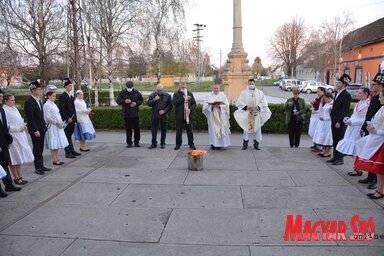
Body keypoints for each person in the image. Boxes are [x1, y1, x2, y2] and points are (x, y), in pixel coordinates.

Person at [353, 88, 384, 199]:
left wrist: (376, 131)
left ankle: (380, 190)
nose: (379, 98)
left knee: (380, 168)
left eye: (381, 96)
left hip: (381, 141)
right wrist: (371, 127)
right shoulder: (382, 108)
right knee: (379, 170)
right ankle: (379, 190)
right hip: (376, 139)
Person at [336, 87, 370, 176]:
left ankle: (358, 169)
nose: (358, 95)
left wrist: (353, 122)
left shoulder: (367, 104)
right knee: (355, 149)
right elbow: (354, 114)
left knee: (358, 148)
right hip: (352, 127)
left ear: (366, 93)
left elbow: (365, 119)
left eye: (360, 93)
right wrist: (349, 120)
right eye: (358, 93)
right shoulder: (359, 102)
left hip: (358, 128)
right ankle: (356, 168)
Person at [358, 73, 384, 189]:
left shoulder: (381, 98)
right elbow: (370, 114)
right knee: (369, 153)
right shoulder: (374, 97)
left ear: (381, 85)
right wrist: (365, 126)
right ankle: (370, 176)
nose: (372, 85)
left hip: (378, 131)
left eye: (375, 84)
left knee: (376, 156)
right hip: (370, 128)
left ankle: (375, 181)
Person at [3, 93, 34, 184]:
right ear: (6, 101)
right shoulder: (4, 110)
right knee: (13, 158)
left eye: (14, 100)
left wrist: (23, 126)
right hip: (13, 136)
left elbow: (19, 119)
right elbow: (6, 126)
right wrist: (18, 128)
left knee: (19, 157)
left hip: (20, 135)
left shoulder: (14, 108)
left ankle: (20, 176)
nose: (13, 102)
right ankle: (16, 178)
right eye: (11, 100)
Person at [234, 78, 272, 150]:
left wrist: (258, 107)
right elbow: (239, 102)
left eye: (252, 83)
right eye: (250, 83)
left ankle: (256, 144)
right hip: (247, 113)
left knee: (257, 129)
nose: (251, 85)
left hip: (256, 114)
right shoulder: (244, 93)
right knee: (246, 129)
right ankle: (245, 144)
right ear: (248, 84)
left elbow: (264, 102)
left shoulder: (260, 93)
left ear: (254, 84)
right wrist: (246, 106)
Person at [24, 80, 52, 175]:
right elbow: (30, 118)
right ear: (33, 90)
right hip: (35, 130)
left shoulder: (38, 100)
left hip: (41, 128)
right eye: (38, 89)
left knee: (40, 148)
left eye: (40, 89)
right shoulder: (29, 102)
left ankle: (41, 165)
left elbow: (41, 115)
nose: (40, 91)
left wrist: (44, 125)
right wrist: (35, 130)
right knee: (37, 148)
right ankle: (37, 167)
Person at [0, 89, 21, 197]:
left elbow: (4, 127)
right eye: (0, 96)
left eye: (1, 96)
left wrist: (7, 140)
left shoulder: (1, 110)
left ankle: (8, 184)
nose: (1, 98)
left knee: (4, 163)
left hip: (3, 141)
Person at [327, 74, 352, 165]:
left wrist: (339, 121)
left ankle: (340, 158)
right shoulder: (337, 92)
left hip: (339, 121)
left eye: (340, 82)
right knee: (334, 138)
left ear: (344, 84)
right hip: (333, 119)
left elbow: (344, 110)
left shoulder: (346, 95)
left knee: (339, 139)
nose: (337, 84)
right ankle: (335, 157)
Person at [43, 91, 69, 165]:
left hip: (58, 125)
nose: (54, 97)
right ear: (48, 96)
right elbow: (48, 117)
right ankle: (54, 159)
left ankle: (57, 158)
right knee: (53, 142)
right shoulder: (46, 105)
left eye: (55, 96)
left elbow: (58, 114)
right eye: (53, 96)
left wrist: (61, 123)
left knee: (57, 143)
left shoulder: (53, 104)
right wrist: (56, 123)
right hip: (52, 126)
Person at [203, 84, 231, 149]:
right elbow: (205, 105)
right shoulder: (209, 96)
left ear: (219, 89)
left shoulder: (223, 96)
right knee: (213, 130)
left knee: (222, 128)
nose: (216, 89)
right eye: (215, 88)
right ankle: (213, 144)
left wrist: (220, 106)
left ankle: (221, 144)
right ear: (213, 89)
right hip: (212, 115)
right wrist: (211, 106)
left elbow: (227, 105)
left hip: (221, 115)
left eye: (217, 88)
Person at [59, 78, 81, 158]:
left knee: (69, 136)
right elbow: (61, 110)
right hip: (67, 120)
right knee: (66, 136)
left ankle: (72, 151)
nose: (70, 87)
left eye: (71, 86)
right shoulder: (63, 96)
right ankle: (67, 152)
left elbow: (73, 109)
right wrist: (67, 118)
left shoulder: (71, 97)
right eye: (69, 86)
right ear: (65, 87)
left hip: (72, 120)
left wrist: (75, 119)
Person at [116, 81, 143, 148]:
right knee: (128, 129)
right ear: (126, 87)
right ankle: (129, 142)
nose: (129, 88)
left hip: (135, 113)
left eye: (130, 87)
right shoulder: (122, 93)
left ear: (132, 86)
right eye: (128, 87)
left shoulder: (136, 92)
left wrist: (136, 103)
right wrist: (124, 101)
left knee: (137, 128)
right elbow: (118, 101)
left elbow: (141, 100)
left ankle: (137, 142)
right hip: (127, 113)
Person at [147, 84, 172, 149]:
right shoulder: (152, 95)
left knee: (164, 130)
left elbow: (170, 106)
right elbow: (149, 104)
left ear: (163, 89)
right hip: (154, 115)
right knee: (153, 130)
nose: (160, 92)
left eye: (161, 90)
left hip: (164, 115)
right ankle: (154, 143)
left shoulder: (168, 95)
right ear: (156, 90)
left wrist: (164, 111)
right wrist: (154, 100)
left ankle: (162, 143)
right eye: (158, 90)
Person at [172, 83, 197, 150]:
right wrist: (183, 98)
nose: (184, 89)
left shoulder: (190, 93)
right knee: (178, 132)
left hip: (188, 116)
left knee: (190, 131)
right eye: (182, 87)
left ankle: (191, 144)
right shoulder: (176, 94)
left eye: (185, 87)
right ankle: (178, 145)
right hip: (179, 116)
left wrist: (190, 109)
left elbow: (194, 103)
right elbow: (174, 102)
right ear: (179, 88)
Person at [313, 92, 334, 157]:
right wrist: (321, 103)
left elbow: (332, 116)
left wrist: (324, 118)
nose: (325, 100)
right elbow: (321, 110)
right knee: (324, 136)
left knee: (328, 137)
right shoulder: (327, 104)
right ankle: (324, 150)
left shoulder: (332, 105)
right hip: (324, 123)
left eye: (326, 99)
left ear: (329, 98)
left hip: (328, 123)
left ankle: (328, 152)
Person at [308, 87, 325, 152]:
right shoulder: (317, 98)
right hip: (314, 115)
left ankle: (319, 145)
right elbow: (315, 105)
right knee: (314, 130)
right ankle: (315, 143)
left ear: (322, 91)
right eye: (317, 91)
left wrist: (316, 111)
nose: (317, 93)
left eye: (318, 91)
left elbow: (323, 108)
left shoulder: (323, 98)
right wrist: (312, 103)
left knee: (318, 131)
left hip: (318, 116)